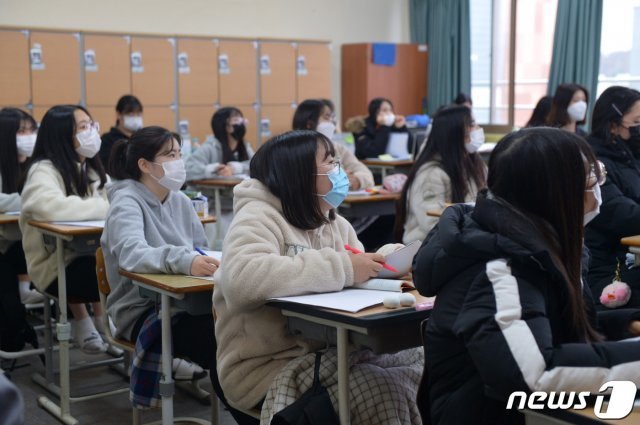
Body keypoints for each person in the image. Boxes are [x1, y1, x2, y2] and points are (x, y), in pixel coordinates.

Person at [412, 127, 640, 425]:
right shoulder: (500, 268)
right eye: (591, 180)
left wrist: (627, 323)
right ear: (553, 193)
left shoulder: (544, 245)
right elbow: (533, 374)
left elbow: (551, 323)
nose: (598, 192)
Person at [213, 130, 423, 424]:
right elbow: (242, 279)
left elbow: (353, 275)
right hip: (265, 366)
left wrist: (387, 261)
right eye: (330, 162)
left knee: (424, 357)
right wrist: (345, 267)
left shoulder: (334, 222)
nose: (341, 171)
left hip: (330, 352)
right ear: (298, 174)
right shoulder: (258, 216)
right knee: (380, 389)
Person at [102, 126, 220, 391]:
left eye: (179, 153)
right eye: (170, 155)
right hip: (142, 310)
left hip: (186, 302)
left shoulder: (179, 200)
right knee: (220, 343)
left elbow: (200, 249)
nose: (179, 162)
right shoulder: (126, 202)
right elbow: (131, 255)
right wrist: (184, 261)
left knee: (239, 329)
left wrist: (202, 262)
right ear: (144, 164)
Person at [19, 105, 110, 354]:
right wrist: (103, 207)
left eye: (92, 125)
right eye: (83, 127)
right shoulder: (43, 170)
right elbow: (49, 207)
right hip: (54, 268)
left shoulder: (91, 168)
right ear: (62, 135)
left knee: (129, 273)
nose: (91, 132)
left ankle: (116, 329)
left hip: (86, 258)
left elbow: (117, 199)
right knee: (129, 280)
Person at [585, 86, 640, 308]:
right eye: (636, 122)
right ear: (613, 125)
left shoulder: (631, 156)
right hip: (611, 265)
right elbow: (618, 212)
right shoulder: (593, 162)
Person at [399, 106, 486, 244]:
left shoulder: (475, 164)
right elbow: (432, 224)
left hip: (461, 244)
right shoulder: (431, 174)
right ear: (454, 133)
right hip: (426, 249)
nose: (478, 129)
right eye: (472, 125)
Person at [185, 107, 255, 246]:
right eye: (236, 120)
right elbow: (188, 169)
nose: (242, 123)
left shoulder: (244, 147)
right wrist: (211, 169)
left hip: (239, 205)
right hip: (214, 207)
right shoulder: (210, 147)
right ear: (225, 126)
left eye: (242, 119)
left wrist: (239, 167)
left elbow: (258, 165)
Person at [0, 108, 42, 305]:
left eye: (32, 131)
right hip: (6, 241)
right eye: (22, 132)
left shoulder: (36, 165)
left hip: (25, 236)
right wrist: (32, 200)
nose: (29, 137)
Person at [293, 99, 374, 190]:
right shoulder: (293, 149)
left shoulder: (337, 147)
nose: (332, 122)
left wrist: (357, 180)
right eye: (327, 117)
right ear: (309, 124)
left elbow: (366, 173)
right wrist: (338, 179)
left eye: (332, 118)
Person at [98, 95, 144, 167]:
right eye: (131, 115)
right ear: (119, 114)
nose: (135, 119)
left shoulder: (143, 139)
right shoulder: (107, 140)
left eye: (138, 114)